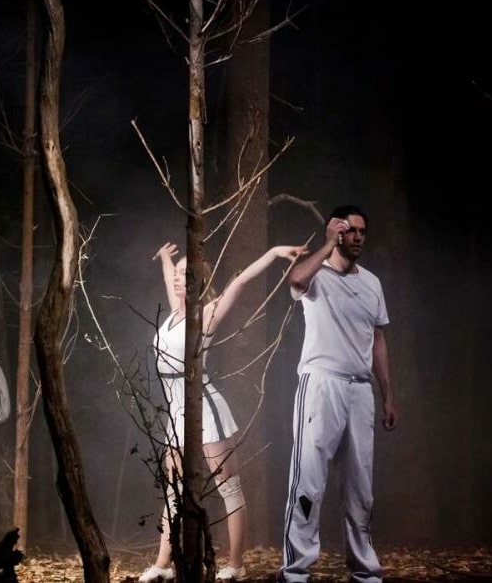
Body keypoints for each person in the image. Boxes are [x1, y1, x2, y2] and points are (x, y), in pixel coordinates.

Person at [140, 241, 307, 583]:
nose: (178, 278)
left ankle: (236, 564)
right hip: (175, 412)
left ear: (199, 282)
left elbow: (240, 281)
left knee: (229, 488)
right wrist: (166, 260)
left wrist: (273, 252)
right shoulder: (174, 314)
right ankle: (162, 565)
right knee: (172, 491)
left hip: (205, 409)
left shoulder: (206, 315)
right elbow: (170, 279)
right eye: (178, 274)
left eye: (186, 274)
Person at [277, 205, 398, 583]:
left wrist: (387, 395)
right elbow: (295, 279)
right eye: (350, 230)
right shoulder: (318, 275)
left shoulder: (372, 283)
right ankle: (295, 572)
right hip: (321, 385)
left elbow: (378, 340)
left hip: (360, 391)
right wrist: (327, 243)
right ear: (338, 233)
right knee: (308, 482)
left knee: (360, 489)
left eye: (362, 231)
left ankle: (365, 572)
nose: (358, 237)